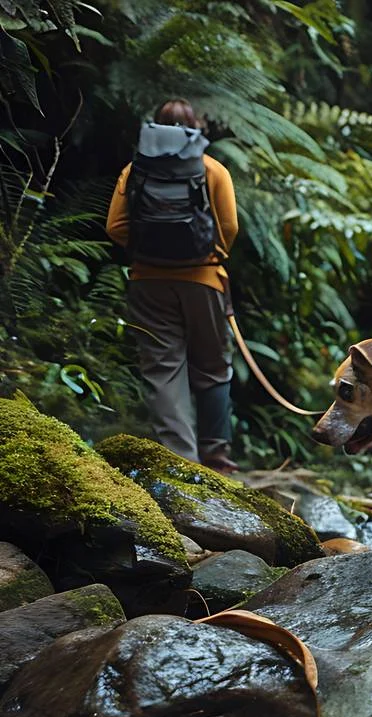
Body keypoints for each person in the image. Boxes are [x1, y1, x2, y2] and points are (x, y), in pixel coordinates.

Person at [105, 98, 241, 473]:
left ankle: (181, 460)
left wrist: (147, 253)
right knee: (213, 366)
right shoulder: (212, 169)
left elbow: (115, 228)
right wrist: (210, 255)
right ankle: (216, 454)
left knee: (163, 369)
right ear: (197, 126)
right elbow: (228, 227)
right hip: (205, 280)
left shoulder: (135, 170)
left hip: (148, 282)